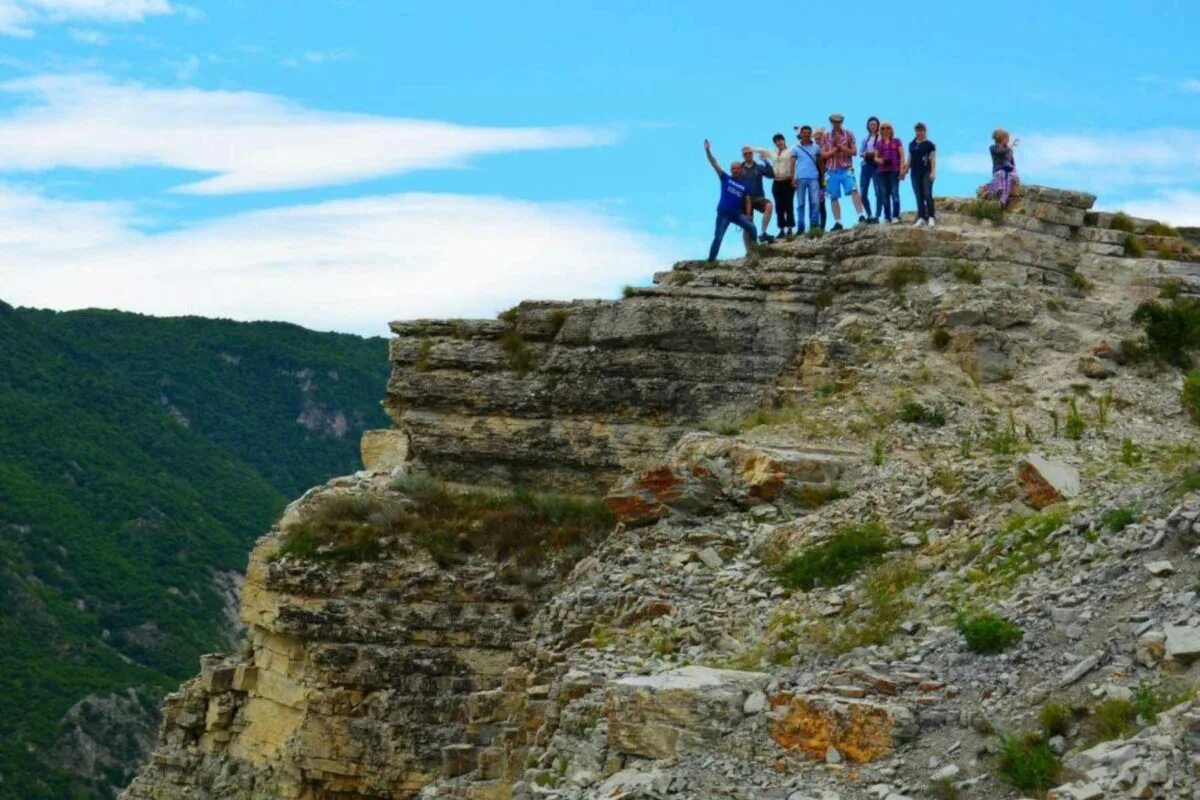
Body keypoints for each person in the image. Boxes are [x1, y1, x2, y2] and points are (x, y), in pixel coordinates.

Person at [703, 139, 758, 261]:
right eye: (733, 169)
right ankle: (711, 260)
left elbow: (748, 200)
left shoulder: (745, 185)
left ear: (741, 170)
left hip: (737, 214)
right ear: (731, 170)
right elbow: (714, 164)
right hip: (724, 213)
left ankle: (755, 251)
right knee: (718, 237)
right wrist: (708, 151)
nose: (736, 170)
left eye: (738, 168)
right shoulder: (725, 178)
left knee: (752, 228)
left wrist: (749, 215)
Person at [820, 113, 867, 231]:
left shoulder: (848, 133)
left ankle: (861, 215)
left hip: (847, 167)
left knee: (854, 190)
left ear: (841, 122)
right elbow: (823, 154)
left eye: (838, 122)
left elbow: (855, 152)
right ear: (831, 122)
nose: (836, 124)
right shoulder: (825, 136)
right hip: (831, 169)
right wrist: (835, 150)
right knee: (833, 196)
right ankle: (838, 222)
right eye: (834, 122)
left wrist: (843, 148)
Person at [738, 145, 777, 243]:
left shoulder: (759, 167)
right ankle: (750, 251)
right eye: (745, 154)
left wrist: (765, 161)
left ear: (753, 154)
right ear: (743, 156)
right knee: (748, 225)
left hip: (758, 197)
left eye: (750, 153)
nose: (748, 155)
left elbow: (772, 174)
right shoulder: (739, 169)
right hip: (745, 200)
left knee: (769, 206)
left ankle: (763, 233)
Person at [903, 122, 937, 227]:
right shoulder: (912, 144)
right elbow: (910, 159)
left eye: (922, 130)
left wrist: (933, 171)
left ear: (925, 131)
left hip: (926, 171)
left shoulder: (930, 144)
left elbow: (933, 159)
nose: (920, 132)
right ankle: (922, 217)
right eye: (918, 130)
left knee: (927, 193)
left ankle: (931, 216)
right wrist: (904, 171)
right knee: (918, 195)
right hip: (914, 173)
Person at [792, 126, 823, 235]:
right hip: (800, 178)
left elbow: (820, 163)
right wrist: (792, 178)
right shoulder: (795, 148)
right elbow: (792, 164)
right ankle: (801, 227)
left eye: (808, 132)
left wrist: (822, 177)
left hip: (814, 178)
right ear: (801, 134)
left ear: (811, 134)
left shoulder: (816, 148)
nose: (806, 134)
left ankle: (814, 225)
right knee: (800, 204)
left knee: (815, 202)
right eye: (804, 132)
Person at [872, 122, 904, 223]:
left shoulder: (896, 141)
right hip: (882, 171)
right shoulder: (878, 143)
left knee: (895, 193)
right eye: (883, 128)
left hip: (894, 170)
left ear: (891, 129)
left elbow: (902, 155)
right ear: (880, 131)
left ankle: (896, 216)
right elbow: (875, 158)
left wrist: (902, 169)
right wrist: (880, 160)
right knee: (884, 195)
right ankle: (887, 217)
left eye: (888, 128)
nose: (885, 130)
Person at [979, 128, 1020, 206]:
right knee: (1001, 175)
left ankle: (1002, 200)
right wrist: (1009, 148)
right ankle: (990, 191)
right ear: (1002, 139)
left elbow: (1012, 163)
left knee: (1010, 178)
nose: (1008, 141)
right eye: (1007, 139)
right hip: (999, 171)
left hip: (1009, 171)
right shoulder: (993, 148)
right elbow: (1000, 152)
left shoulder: (1008, 150)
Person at [768, 133, 797, 237]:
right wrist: (750, 149)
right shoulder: (773, 153)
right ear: (775, 143)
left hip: (788, 181)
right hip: (776, 182)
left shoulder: (791, 150)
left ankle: (790, 228)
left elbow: (800, 143)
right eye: (776, 141)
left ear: (784, 140)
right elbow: (761, 150)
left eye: (780, 140)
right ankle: (781, 229)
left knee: (789, 205)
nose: (779, 142)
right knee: (779, 207)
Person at [859, 116, 881, 223]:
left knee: (878, 192)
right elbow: (860, 152)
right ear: (868, 126)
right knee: (863, 193)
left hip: (876, 165)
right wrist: (866, 154)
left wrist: (875, 155)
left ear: (878, 126)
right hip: (866, 165)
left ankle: (877, 215)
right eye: (870, 124)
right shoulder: (865, 139)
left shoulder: (881, 138)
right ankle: (870, 215)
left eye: (874, 124)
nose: (872, 126)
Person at [812, 128, 828, 230]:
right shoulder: (811, 148)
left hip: (823, 177)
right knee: (814, 202)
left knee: (821, 202)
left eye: (820, 136)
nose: (818, 138)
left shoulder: (826, 148)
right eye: (816, 137)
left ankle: (822, 226)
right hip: (813, 178)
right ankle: (814, 224)